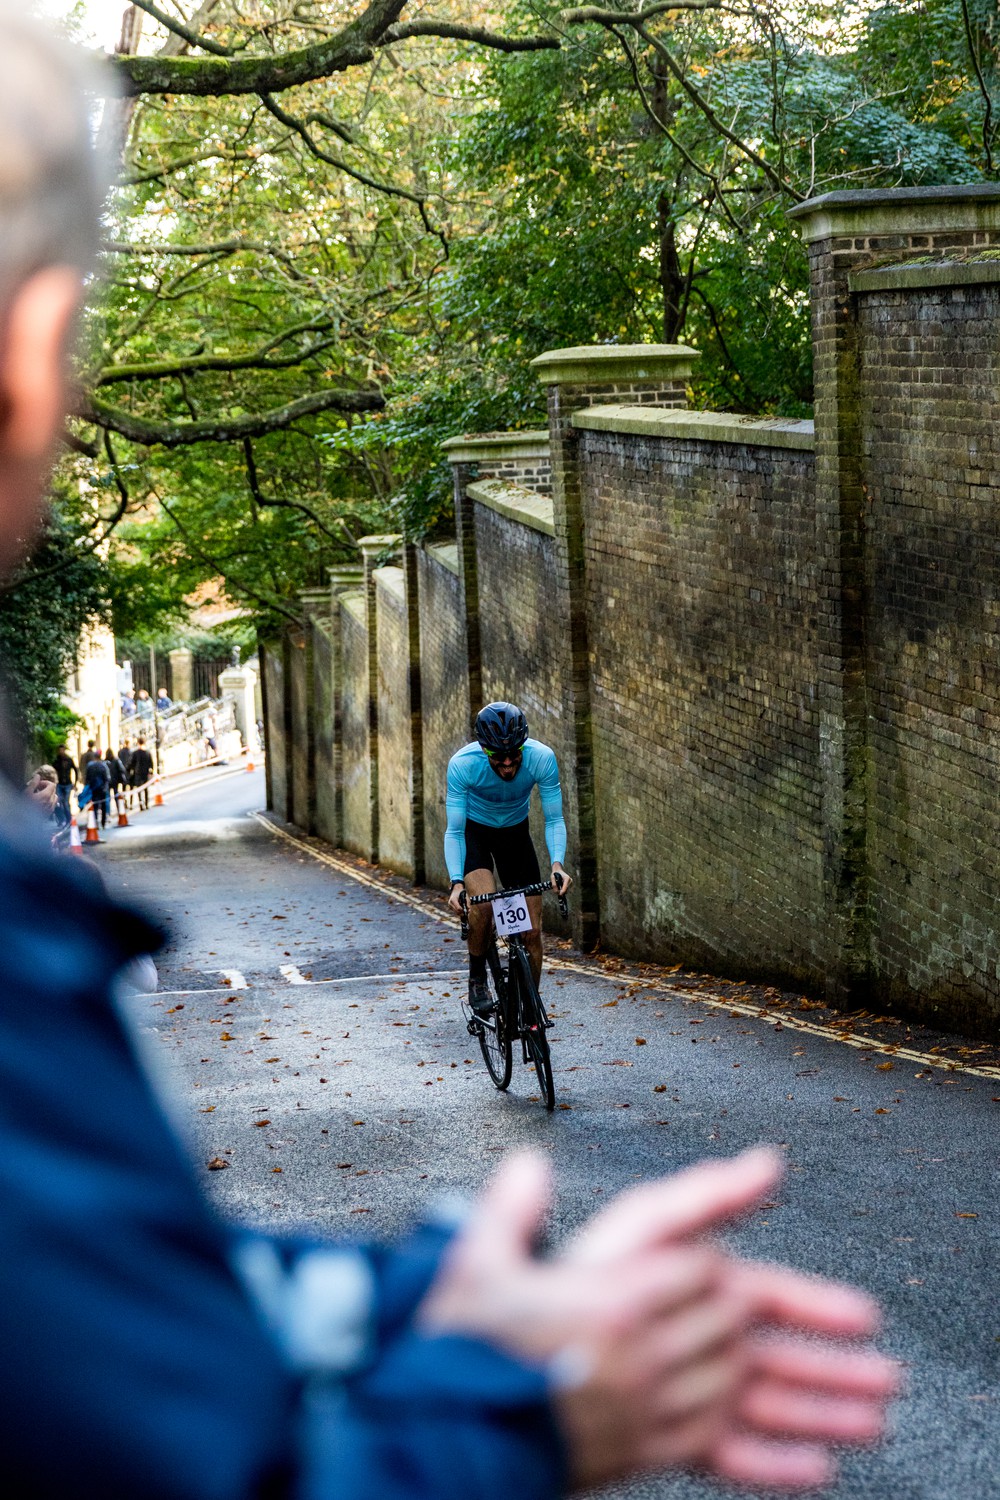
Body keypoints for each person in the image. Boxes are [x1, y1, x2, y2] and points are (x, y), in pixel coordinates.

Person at [0, 14, 897, 1500]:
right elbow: (164, 1436)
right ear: (33, 363)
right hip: (478, 852)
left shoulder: (525, 767)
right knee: (480, 912)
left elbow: (111, 1316)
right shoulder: (456, 780)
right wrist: (522, 1419)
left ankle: (524, 964)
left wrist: (422, 1299)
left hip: (517, 844)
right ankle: (487, 973)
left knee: (530, 894)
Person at [446, 702, 570, 1018]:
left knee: (532, 932)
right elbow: (455, 830)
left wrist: (557, 865)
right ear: (483, 750)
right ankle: (477, 977)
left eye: (514, 754)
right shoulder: (463, 764)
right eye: (497, 756)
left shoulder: (541, 758)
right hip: (475, 833)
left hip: (515, 835)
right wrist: (457, 883)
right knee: (485, 905)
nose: (507, 763)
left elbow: (554, 819)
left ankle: (530, 1009)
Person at [83, 751, 111, 831]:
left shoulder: (90, 767)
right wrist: (105, 787)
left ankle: (95, 821)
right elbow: (106, 778)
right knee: (103, 806)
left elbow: (87, 778)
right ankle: (103, 822)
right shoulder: (103, 766)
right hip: (102, 789)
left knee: (95, 806)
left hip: (93, 789)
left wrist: (87, 787)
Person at [53, 742, 76, 826]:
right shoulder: (56, 761)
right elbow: (53, 771)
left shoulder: (69, 760)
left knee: (66, 802)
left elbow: (75, 770)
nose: (61, 751)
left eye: (62, 750)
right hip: (59, 784)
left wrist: (75, 783)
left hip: (67, 784)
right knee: (59, 802)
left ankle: (68, 820)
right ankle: (62, 820)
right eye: (60, 750)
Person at [130, 736, 154, 811]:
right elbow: (151, 763)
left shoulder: (135, 753)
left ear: (138, 743)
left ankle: (141, 804)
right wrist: (151, 772)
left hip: (138, 773)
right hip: (145, 773)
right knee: (146, 789)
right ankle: (146, 804)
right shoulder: (147, 752)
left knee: (139, 789)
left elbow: (132, 763)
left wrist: (132, 770)